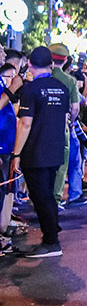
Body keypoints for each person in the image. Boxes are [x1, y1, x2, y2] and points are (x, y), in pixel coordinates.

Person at [11, 46, 70, 257]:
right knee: (48, 194)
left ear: (29, 65)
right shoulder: (62, 88)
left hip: (35, 151)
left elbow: (25, 124)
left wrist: (16, 154)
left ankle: (51, 240)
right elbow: (65, 116)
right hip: (54, 149)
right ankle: (52, 232)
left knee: (41, 196)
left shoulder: (30, 89)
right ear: (51, 65)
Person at [47, 44, 83, 208]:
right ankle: (56, 198)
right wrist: (71, 120)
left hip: (41, 126)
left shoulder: (41, 77)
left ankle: (39, 197)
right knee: (62, 164)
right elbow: (75, 107)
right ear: (66, 60)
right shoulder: (70, 80)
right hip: (62, 127)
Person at [0, 63, 18, 255]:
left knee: (4, 191)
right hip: (1, 147)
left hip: (6, 146)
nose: (3, 52)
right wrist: (13, 88)